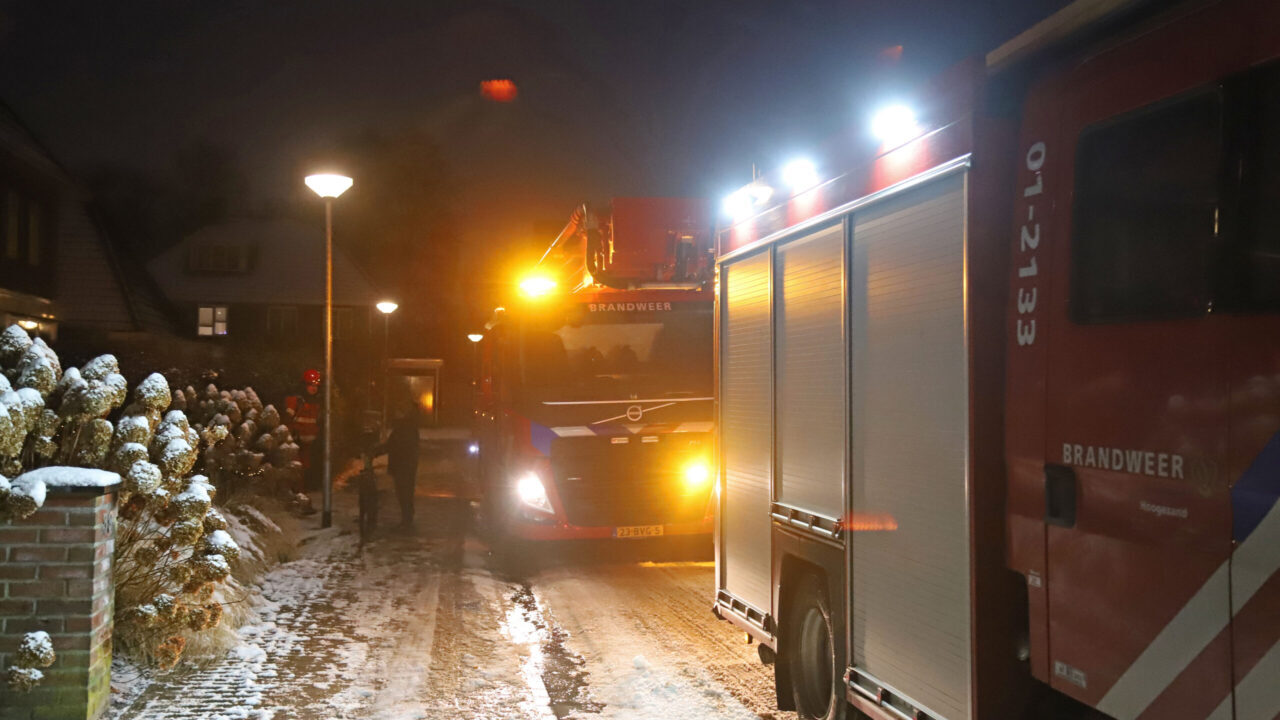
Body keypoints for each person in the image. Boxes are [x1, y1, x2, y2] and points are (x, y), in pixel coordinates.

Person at [374, 402, 420, 530]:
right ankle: (407, 519)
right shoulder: (409, 426)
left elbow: (394, 445)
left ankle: (406, 521)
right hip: (407, 465)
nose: (395, 414)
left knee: (404, 493)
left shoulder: (403, 427)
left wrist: (376, 451)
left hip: (402, 466)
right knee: (406, 493)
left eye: (397, 412)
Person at [284, 369, 322, 493]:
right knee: (296, 470)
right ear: (304, 385)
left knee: (304, 470)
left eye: (316, 385)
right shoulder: (295, 401)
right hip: (296, 443)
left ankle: (301, 495)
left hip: (308, 445)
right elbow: (286, 420)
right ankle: (296, 496)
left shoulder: (316, 404)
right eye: (311, 384)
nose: (313, 388)